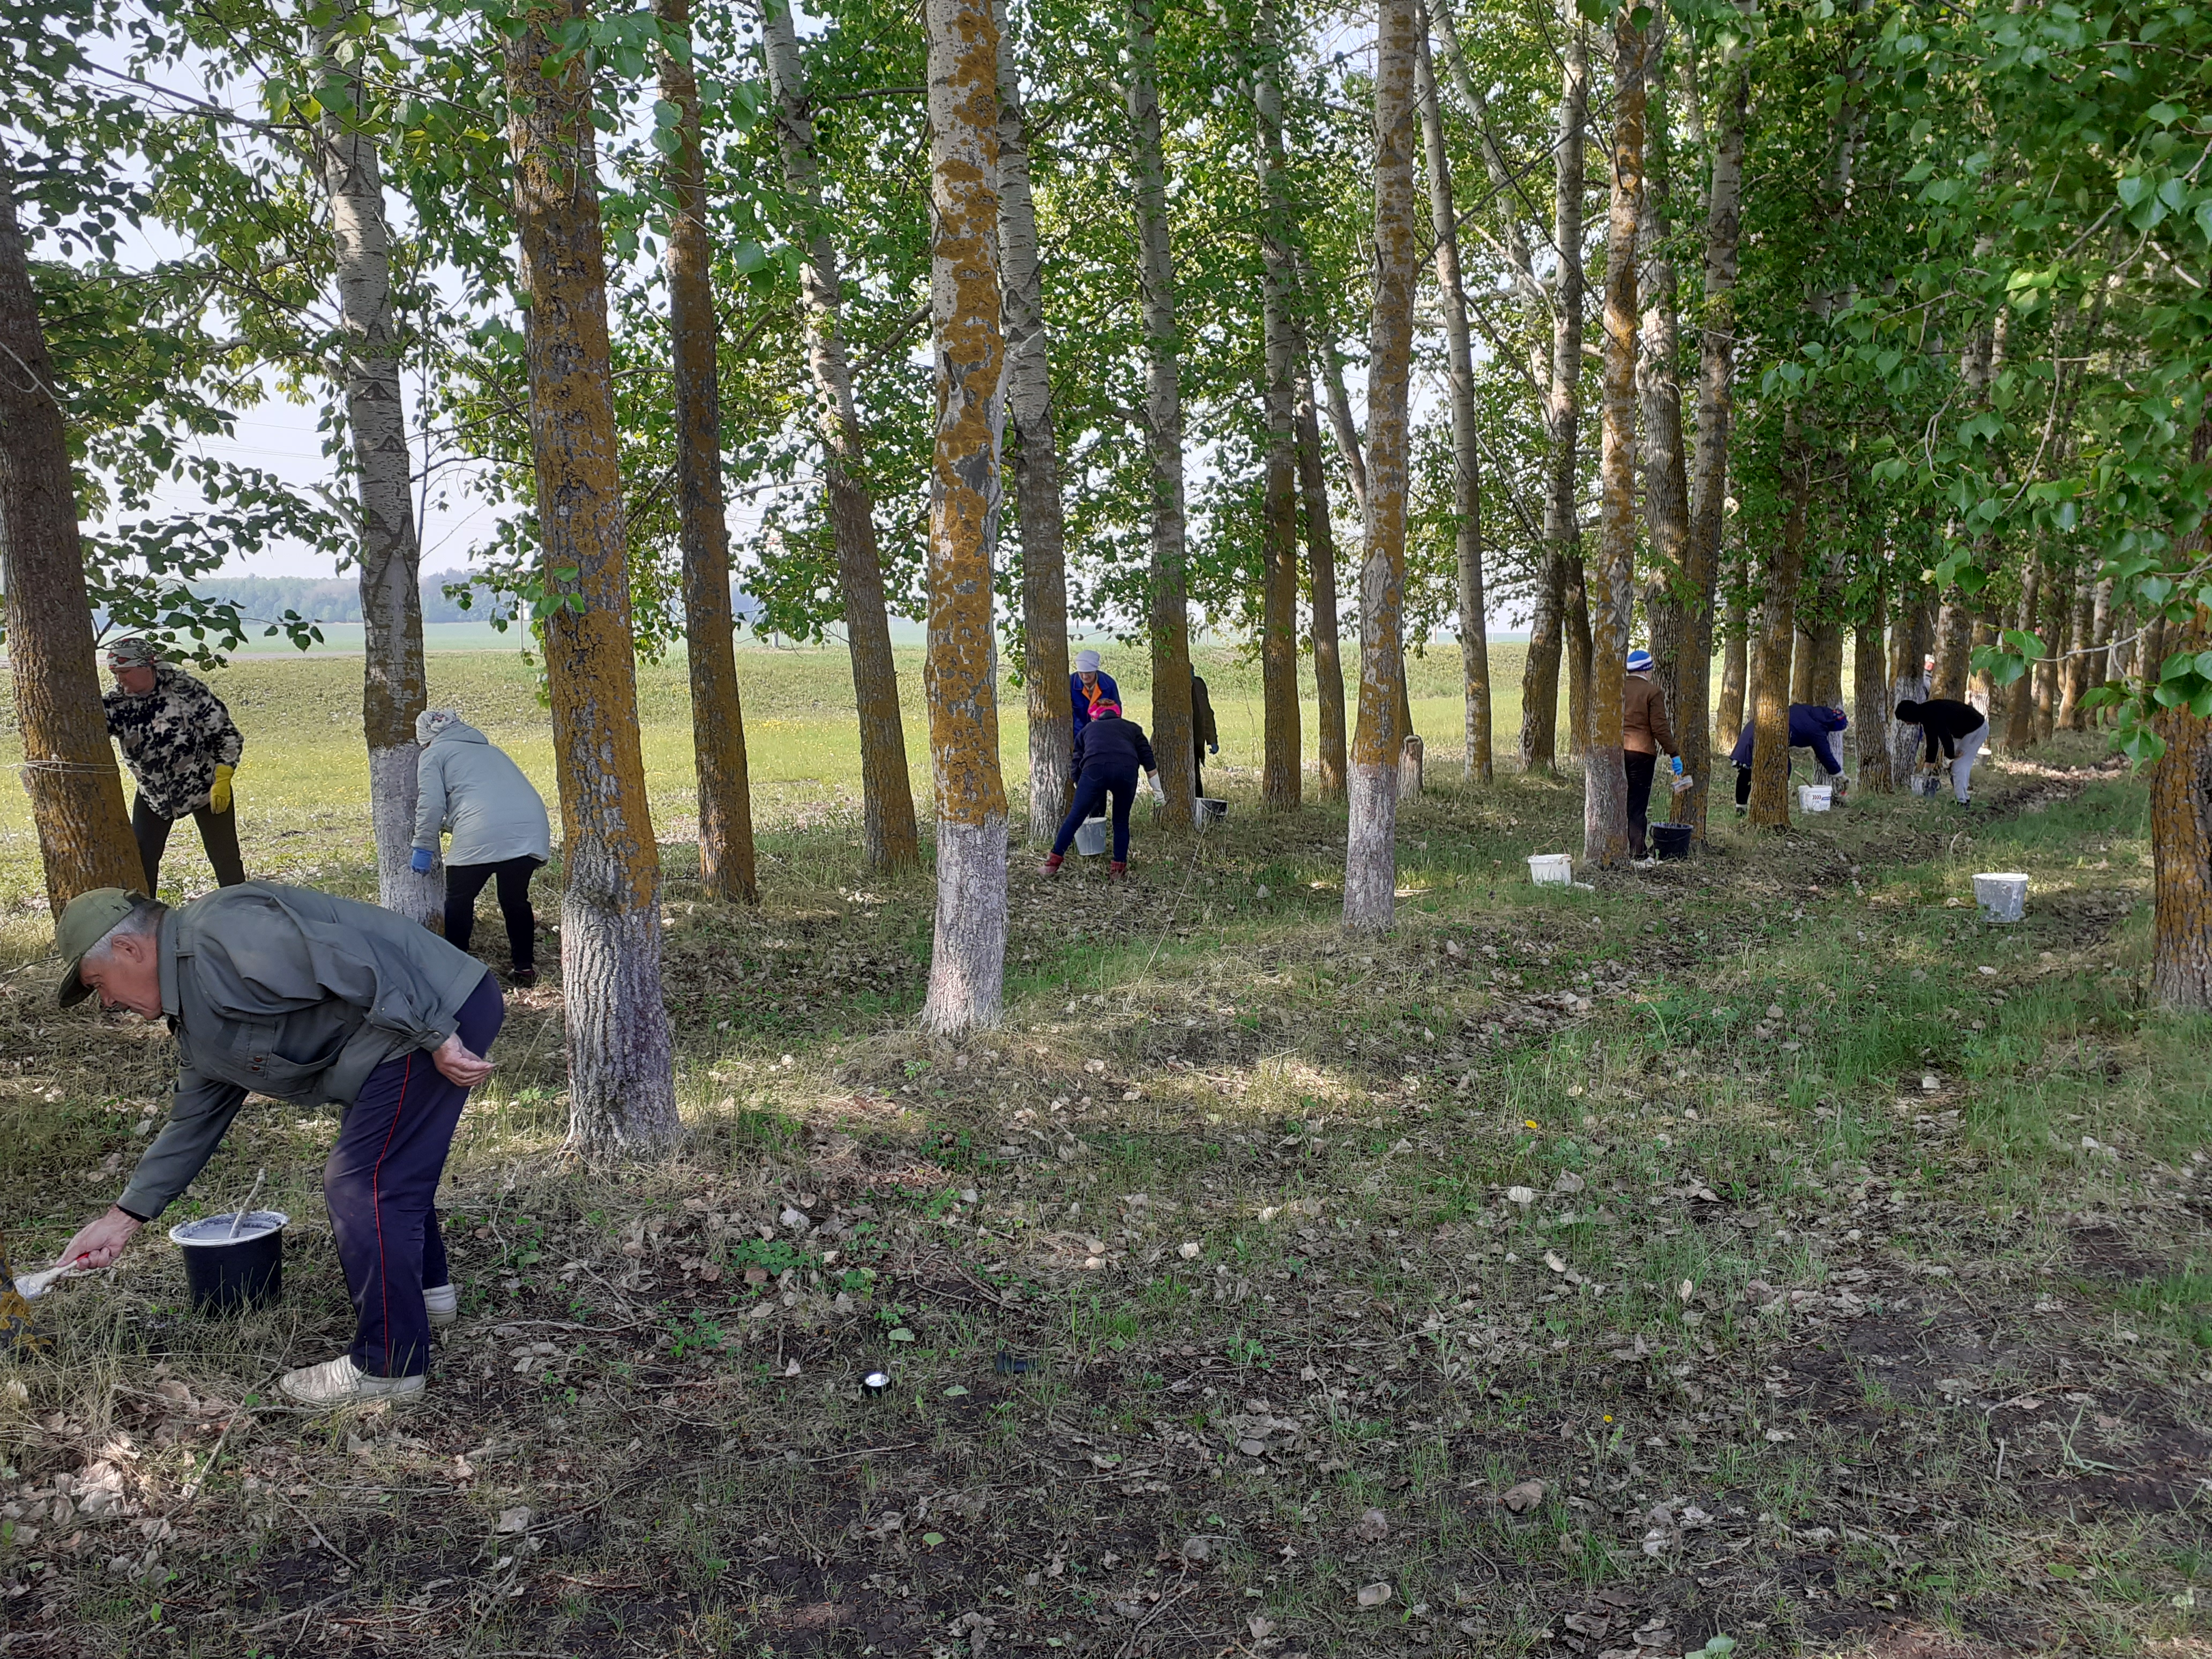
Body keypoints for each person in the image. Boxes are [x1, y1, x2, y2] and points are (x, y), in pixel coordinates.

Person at [54, 883, 501, 1409]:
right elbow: (192, 1123)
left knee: (362, 1184)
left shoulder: (220, 935)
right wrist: (122, 1218)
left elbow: (350, 958)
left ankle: (389, 1368)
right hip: (404, 1030)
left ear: (129, 950)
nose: (107, 1002)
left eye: (99, 984)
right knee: (386, 1165)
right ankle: (428, 1299)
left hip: (429, 1013)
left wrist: (435, 1033)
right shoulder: (193, 1018)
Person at [410, 709, 552, 987]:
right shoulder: (492, 752)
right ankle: (524, 969)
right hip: (530, 827)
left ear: (426, 738)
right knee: (515, 899)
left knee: (459, 899)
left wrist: (423, 844)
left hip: (482, 829)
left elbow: (431, 805)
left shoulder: (433, 754)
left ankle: (455, 971)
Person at [101, 636, 246, 893]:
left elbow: (226, 734)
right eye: (114, 673)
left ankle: (241, 909)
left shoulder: (186, 691)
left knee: (226, 859)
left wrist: (223, 777)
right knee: (143, 861)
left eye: (125, 672)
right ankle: (146, 920)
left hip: (205, 788)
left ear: (147, 667)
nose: (119, 679)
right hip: (153, 795)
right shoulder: (115, 704)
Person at [1041, 699, 1161, 878]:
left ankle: (1052, 865)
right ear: (1118, 714)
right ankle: (1118, 871)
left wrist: (1079, 785)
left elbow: (1076, 762)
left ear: (1094, 717)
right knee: (1121, 822)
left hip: (1095, 770)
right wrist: (1159, 792)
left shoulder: (1087, 730)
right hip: (1127, 772)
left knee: (1075, 818)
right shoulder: (1133, 729)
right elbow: (1148, 760)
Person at [1731, 704, 1849, 809]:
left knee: (1746, 771)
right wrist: (1841, 776)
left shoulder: (1810, 711)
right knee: (1782, 770)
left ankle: (1741, 808)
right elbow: (1825, 756)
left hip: (1753, 728)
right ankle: (1772, 808)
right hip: (1767, 737)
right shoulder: (1817, 730)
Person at [1621, 648, 1678, 862]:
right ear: (1647, 670)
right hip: (1642, 754)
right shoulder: (1652, 692)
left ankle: (1620, 847)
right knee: (1637, 804)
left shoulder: (1618, 689)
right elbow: (1660, 728)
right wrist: (1674, 753)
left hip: (1618, 753)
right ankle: (1637, 853)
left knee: (1621, 800)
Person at [1895, 697, 1987, 803]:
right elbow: (1932, 743)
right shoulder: (1926, 714)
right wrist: (1928, 765)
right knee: (1955, 767)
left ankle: (1963, 802)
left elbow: (1946, 738)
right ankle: (1961, 795)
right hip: (1963, 733)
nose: (1907, 724)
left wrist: (1949, 758)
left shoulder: (1932, 714)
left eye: (1906, 721)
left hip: (1976, 729)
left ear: (1910, 716)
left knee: (1959, 766)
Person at [1070, 649, 1121, 751]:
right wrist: (1083, 737)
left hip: (1102, 736)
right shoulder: (1070, 683)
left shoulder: (1109, 684)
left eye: (1088, 673)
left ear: (1095, 670)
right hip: (1077, 737)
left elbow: (1116, 712)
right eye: (1081, 673)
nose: (1085, 677)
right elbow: (1071, 715)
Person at [1191, 670, 1220, 799]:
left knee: (1196, 775)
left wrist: (1212, 739)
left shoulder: (1198, 685)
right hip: (1179, 742)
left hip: (1196, 740)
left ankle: (1198, 806)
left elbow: (1207, 713)